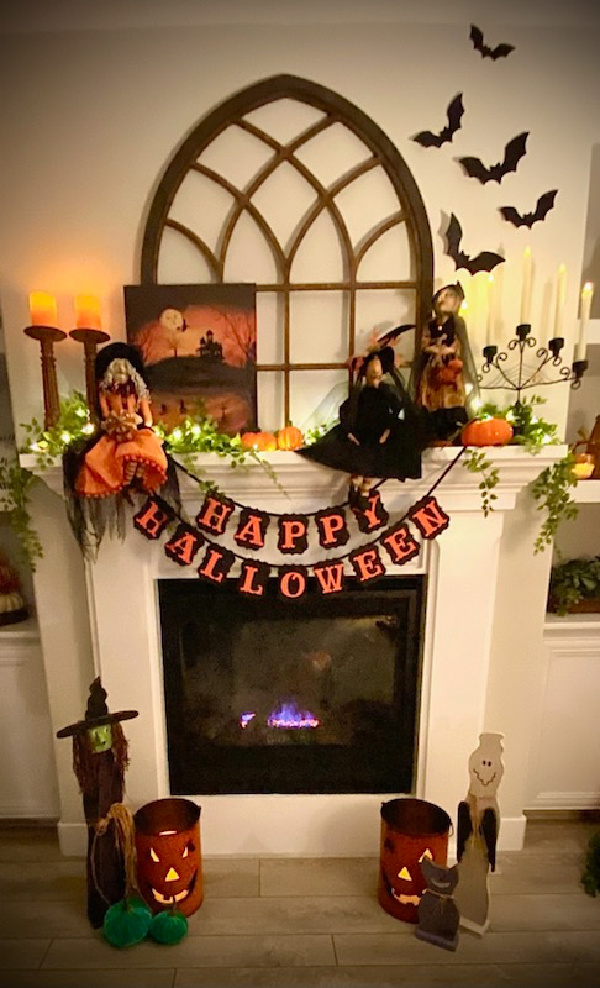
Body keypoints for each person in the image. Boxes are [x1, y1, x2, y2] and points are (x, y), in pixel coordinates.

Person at [297, 345, 431, 508]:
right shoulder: (360, 394)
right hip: (361, 432)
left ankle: (364, 492)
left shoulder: (388, 393)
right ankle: (355, 486)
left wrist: (389, 430)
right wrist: (348, 431)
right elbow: (346, 410)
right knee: (360, 461)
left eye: (378, 367)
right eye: (372, 366)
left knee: (372, 464)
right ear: (365, 369)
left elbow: (395, 411)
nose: (375, 371)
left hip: (379, 434)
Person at [75, 342, 168, 499]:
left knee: (142, 450)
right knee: (101, 456)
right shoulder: (107, 392)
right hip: (115, 429)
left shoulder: (137, 393)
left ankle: (138, 478)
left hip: (134, 428)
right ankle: (125, 480)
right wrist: (110, 421)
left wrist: (146, 424)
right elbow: (105, 410)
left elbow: (146, 413)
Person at [413, 283, 479, 442]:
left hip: (451, 368)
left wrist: (449, 350)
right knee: (430, 397)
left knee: (452, 396)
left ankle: (452, 428)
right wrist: (434, 349)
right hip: (433, 368)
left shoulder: (457, 324)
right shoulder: (430, 324)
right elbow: (424, 343)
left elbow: (460, 344)